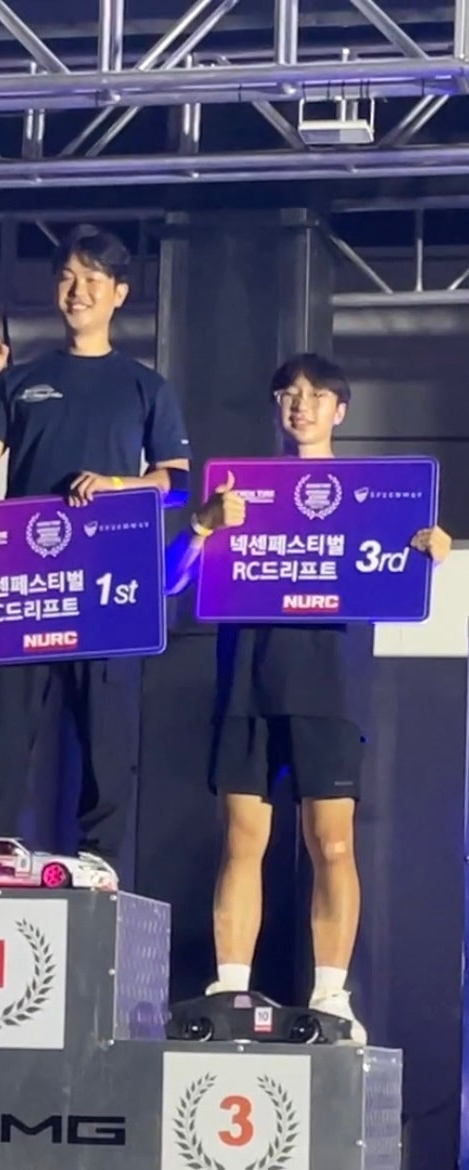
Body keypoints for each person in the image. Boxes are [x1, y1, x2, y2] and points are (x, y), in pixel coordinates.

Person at [178, 353, 451, 1041]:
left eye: (317, 394)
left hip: (329, 682)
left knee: (331, 843)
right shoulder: (235, 491)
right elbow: (175, 579)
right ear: (276, 407)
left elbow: (406, 574)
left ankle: (331, 995)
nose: (300, 404)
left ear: (340, 410)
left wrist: (435, 550)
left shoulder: (375, 499)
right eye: (288, 394)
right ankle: (230, 989)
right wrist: (202, 526)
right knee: (242, 839)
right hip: (248, 680)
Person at [0, 224, 190, 868]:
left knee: (107, 735)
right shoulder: (24, 378)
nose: (77, 290)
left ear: (119, 293)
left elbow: (175, 484)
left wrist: (116, 484)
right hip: (24, 580)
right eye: (66, 278)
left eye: (92, 279)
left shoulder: (145, 386)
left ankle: (98, 859)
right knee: (6, 734)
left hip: (106, 581)